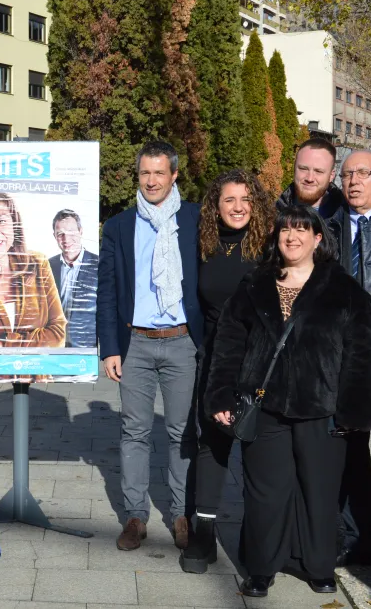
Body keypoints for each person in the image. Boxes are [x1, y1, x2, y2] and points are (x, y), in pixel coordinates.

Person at [205, 205, 371, 598]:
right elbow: (229, 344)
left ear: (318, 239)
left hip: (324, 408)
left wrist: (356, 412)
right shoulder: (255, 284)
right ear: (276, 237)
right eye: (285, 230)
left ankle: (318, 567)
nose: (292, 237)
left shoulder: (343, 288)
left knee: (320, 491)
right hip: (265, 407)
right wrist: (221, 394)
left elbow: (361, 354)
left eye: (302, 230)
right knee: (266, 493)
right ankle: (261, 568)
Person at [96, 141, 204, 552]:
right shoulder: (120, 226)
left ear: (174, 175)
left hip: (182, 342)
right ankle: (135, 516)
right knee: (134, 432)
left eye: (160, 173)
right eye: (145, 173)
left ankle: (181, 514)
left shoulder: (194, 220)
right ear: (137, 176)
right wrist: (110, 347)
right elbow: (108, 290)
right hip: (135, 343)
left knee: (181, 433)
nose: (152, 180)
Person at [179, 169, 275, 574]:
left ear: (256, 203)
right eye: (229, 200)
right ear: (215, 207)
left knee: (260, 448)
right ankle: (203, 537)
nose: (238, 208)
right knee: (211, 445)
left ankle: (260, 542)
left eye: (245, 200)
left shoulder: (271, 246)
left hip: (262, 361)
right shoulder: (205, 244)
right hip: (217, 357)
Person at [328, 149, 371, 566]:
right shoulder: (331, 225)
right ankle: (354, 535)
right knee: (350, 443)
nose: (354, 181)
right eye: (348, 174)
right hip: (343, 354)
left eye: (363, 173)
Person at [0, 191, 66, 348]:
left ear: (14, 225)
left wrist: (3, 343)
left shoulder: (37, 264)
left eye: (2, 221)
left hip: (35, 370)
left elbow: (58, 334)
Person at [48, 209, 99, 348]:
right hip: (53, 346)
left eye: (71, 232)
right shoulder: (47, 266)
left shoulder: (99, 265)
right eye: (60, 234)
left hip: (86, 347)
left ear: (80, 231)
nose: (66, 239)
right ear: (54, 236)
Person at [276, 137, 345, 218]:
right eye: (303, 169)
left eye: (318, 171)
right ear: (294, 168)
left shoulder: (347, 220)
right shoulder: (271, 216)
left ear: (331, 175)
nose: (310, 178)